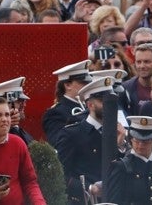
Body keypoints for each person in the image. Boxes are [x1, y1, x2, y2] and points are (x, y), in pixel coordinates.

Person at [53, 76, 123, 204]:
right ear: (90, 105)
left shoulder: (119, 132)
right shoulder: (72, 134)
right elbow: (60, 175)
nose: (109, 107)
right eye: (103, 102)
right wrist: (89, 188)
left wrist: (121, 145)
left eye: (111, 102)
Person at [104, 114, 152, 205]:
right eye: (136, 140)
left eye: (145, 141)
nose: (140, 145)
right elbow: (113, 202)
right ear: (131, 139)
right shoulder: (121, 167)